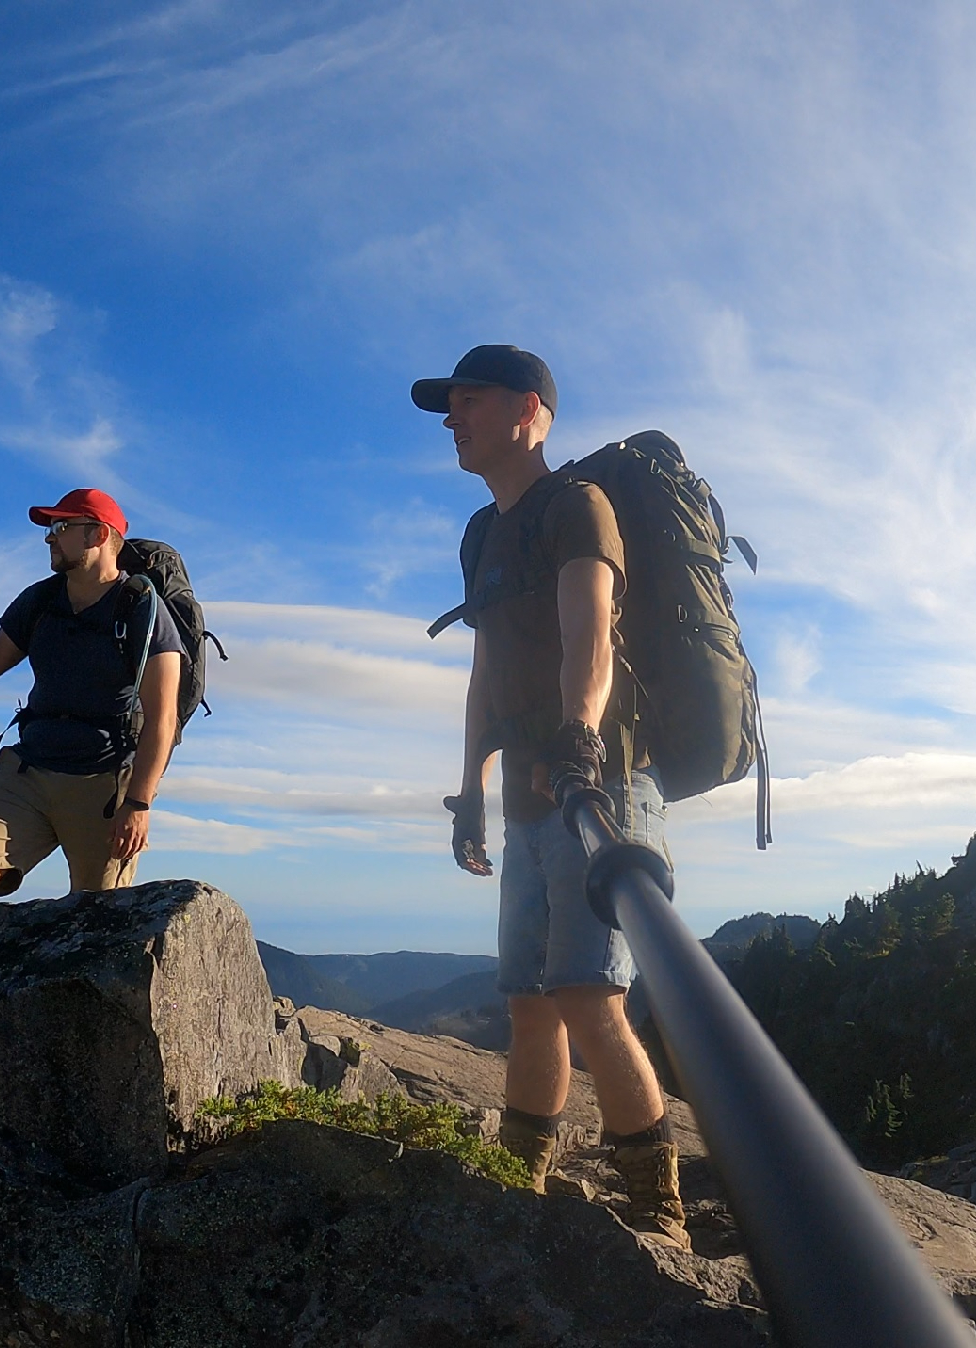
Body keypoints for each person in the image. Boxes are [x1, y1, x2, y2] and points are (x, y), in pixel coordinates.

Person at [413, 344, 691, 1249]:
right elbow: (487, 666)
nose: (453, 418)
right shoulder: (485, 533)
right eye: (449, 405)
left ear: (528, 410)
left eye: (469, 400)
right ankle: (521, 1175)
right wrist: (469, 788)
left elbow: (591, 634)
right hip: (534, 794)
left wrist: (578, 737)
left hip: (597, 785)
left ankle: (658, 1198)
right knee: (529, 1000)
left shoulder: (579, 507)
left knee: (588, 996)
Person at [0, 488, 183, 909]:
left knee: (96, 920)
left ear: (98, 534)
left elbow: (162, 720)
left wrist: (137, 803)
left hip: (103, 782)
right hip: (27, 770)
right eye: (50, 528)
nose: (49, 537)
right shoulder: (42, 599)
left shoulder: (142, 609)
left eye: (61, 527)